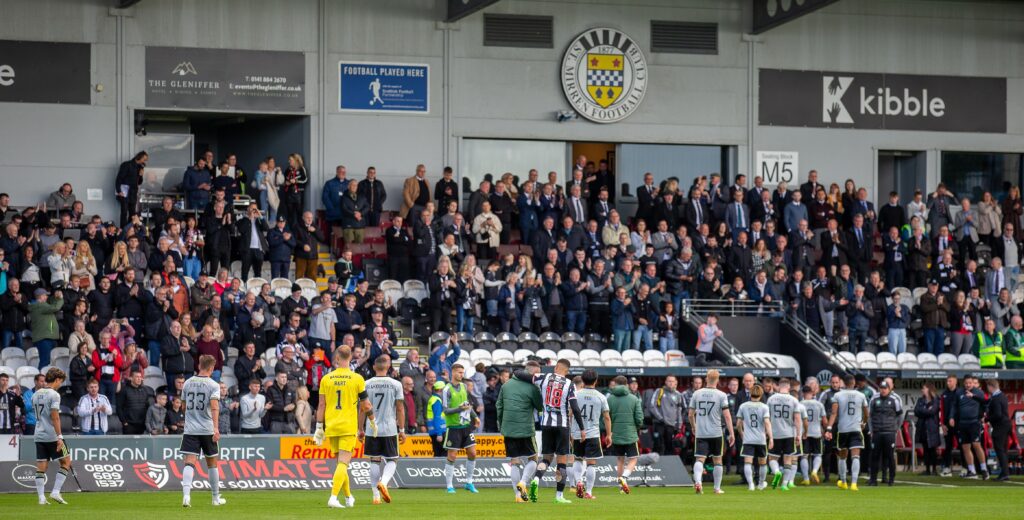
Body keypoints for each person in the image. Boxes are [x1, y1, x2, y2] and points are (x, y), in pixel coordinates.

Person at [314, 345, 374, 509]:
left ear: (337, 358)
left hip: (331, 426)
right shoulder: (357, 379)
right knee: (343, 464)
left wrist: (319, 427)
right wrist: (371, 422)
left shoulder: (326, 378)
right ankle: (333, 497)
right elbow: (366, 405)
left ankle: (348, 497)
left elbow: (321, 405)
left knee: (341, 464)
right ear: (350, 358)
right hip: (348, 426)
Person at [520, 358, 585, 504]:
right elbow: (574, 408)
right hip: (562, 426)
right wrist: (581, 428)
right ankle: (559, 496)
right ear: (567, 371)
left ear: (556, 367)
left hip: (546, 425)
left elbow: (522, 375)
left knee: (546, 458)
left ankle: (536, 479)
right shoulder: (570, 384)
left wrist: (516, 373)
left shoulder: (545, 377)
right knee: (561, 461)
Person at [177, 355, 224, 507]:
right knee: (212, 464)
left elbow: (183, 407)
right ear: (211, 368)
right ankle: (215, 498)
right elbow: (215, 406)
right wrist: (216, 428)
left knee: (189, 463)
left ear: (199, 365)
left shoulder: (187, 383)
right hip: (207, 429)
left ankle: (186, 496)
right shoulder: (213, 385)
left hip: (190, 429)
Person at [497, 360, 544, 502]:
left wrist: (502, 425)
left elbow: (499, 406)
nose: (538, 377)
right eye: (537, 374)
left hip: (508, 429)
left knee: (514, 461)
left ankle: (518, 496)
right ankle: (523, 482)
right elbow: (540, 406)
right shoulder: (532, 387)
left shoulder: (506, 385)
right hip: (525, 429)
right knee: (534, 458)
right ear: (531, 373)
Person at [361, 355, 405, 505]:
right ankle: (384, 483)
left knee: (374, 460)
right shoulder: (396, 384)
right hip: (389, 429)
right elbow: (400, 408)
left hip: (372, 429)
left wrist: (360, 429)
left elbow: (362, 409)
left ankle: (375, 496)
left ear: (374, 367)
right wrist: (402, 429)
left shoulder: (366, 384)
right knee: (392, 459)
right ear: (387, 367)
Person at [688, 369, 735, 495]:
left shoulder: (697, 393)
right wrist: (732, 433)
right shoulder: (721, 395)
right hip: (716, 432)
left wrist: (694, 426)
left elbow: (690, 414)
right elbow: (727, 416)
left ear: (706, 379)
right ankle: (717, 488)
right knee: (718, 460)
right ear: (718, 380)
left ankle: (698, 482)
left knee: (699, 459)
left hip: (701, 432)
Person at [32, 368, 71, 505]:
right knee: (66, 462)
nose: (60, 384)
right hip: (52, 436)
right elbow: (55, 417)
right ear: (57, 380)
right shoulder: (54, 395)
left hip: (38, 434)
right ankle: (55, 492)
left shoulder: (35, 394)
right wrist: (59, 436)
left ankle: (41, 498)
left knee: (41, 466)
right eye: (61, 381)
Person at [571, 369, 611, 500]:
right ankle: (588, 492)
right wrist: (609, 435)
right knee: (591, 463)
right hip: (593, 434)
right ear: (596, 381)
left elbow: (569, 414)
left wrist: (570, 432)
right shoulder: (601, 396)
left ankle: (578, 482)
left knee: (577, 459)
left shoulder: (576, 395)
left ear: (582, 380)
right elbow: (606, 417)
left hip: (577, 433)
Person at [440, 363, 480, 494]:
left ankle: (469, 482)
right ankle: (450, 486)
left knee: (473, 453)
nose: (461, 375)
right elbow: (446, 411)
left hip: (466, 425)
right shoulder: (446, 390)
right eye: (459, 372)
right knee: (452, 456)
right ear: (452, 373)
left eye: (462, 372)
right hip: (453, 427)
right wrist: (459, 409)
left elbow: (467, 404)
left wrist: (475, 416)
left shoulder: (463, 386)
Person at [825, 375, 868, 491]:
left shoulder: (837, 395)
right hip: (856, 429)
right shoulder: (861, 395)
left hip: (843, 430)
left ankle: (843, 482)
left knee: (843, 457)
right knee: (855, 456)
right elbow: (866, 413)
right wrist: (864, 423)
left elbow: (833, 413)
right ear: (854, 383)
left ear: (843, 383)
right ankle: (854, 483)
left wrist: (829, 428)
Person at [607, 375, 643, 495]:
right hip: (630, 434)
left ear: (615, 384)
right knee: (633, 459)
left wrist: (610, 431)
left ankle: (620, 486)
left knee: (620, 460)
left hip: (615, 434)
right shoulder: (634, 399)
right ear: (626, 384)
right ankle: (624, 478)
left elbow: (606, 418)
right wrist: (636, 427)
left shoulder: (610, 399)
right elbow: (639, 418)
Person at [765, 378, 802, 490]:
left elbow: (767, 418)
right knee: (788, 459)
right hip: (789, 433)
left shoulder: (771, 399)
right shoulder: (794, 400)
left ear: (778, 386)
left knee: (772, 458)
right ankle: (784, 484)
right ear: (789, 387)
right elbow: (797, 419)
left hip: (775, 433)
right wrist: (799, 435)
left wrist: (767, 433)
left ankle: (776, 471)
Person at [736, 384, 772, 491]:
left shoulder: (743, 406)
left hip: (748, 439)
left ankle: (750, 484)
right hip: (761, 439)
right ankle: (761, 484)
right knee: (762, 463)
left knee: (748, 462)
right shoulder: (764, 407)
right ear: (761, 395)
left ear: (750, 394)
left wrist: (741, 433)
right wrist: (771, 437)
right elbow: (767, 423)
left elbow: (738, 423)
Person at [952, 375, 988, 479]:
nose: (968, 385)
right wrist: (951, 417)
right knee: (965, 447)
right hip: (962, 424)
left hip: (974, 423)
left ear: (973, 383)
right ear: (964, 383)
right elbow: (954, 406)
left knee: (976, 445)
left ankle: (984, 469)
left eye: (970, 383)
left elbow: (985, 405)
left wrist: (984, 415)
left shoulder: (979, 393)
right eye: (966, 383)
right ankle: (972, 471)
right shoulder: (959, 392)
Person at [867, 380, 901, 486]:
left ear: (889, 389)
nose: (883, 390)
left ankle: (891, 479)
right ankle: (873, 480)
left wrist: (896, 428)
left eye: (885, 388)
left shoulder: (895, 399)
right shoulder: (874, 399)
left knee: (890, 456)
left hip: (889, 432)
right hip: (877, 432)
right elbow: (869, 416)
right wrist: (871, 430)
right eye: (881, 388)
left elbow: (900, 415)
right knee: (875, 456)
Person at [799, 385, 827, 485]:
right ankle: (815, 471)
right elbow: (824, 421)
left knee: (804, 456)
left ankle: (806, 478)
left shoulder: (799, 404)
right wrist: (827, 430)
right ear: (812, 393)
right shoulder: (819, 404)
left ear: (802, 393)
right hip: (816, 433)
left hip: (804, 433)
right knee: (818, 455)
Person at [649, 375, 684, 456]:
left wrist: (679, 425)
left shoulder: (678, 395)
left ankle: (668, 467)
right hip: (659, 424)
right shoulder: (659, 391)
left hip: (671, 426)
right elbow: (652, 406)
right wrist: (661, 418)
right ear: (665, 382)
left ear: (676, 382)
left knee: (670, 447)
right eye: (669, 381)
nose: (671, 383)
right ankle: (656, 466)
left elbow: (679, 411)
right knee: (658, 446)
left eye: (672, 381)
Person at [985, 379, 1011, 482]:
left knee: (1000, 450)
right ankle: (1005, 473)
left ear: (991, 386)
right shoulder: (1002, 395)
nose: (987, 388)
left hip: (1000, 427)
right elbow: (986, 402)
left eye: (988, 386)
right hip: (1006, 425)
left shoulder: (996, 398)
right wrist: (974, 397)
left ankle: (1004, 473)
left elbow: (997, 414)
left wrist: (987, 418)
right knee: (1003, 450)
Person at [914, 382, 941, 476]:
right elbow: (916, 411)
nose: (922, 390)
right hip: (922, 427)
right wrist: (926, 410)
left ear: (929, 389)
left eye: (924, 388)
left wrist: (924, 411)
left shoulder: (936, 400)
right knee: (925, 449)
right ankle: (927, 469)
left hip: (932, 428)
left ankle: (934, 470)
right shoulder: (920, 400)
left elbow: (933, 411)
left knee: (932, 449)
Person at [117, 369, 155, 434]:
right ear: (131, 378)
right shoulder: (124, 390)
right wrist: (124, 422)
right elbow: (119, 407)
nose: (139, 379)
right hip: (129, 425)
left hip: (142, 425)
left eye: (140, 377)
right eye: (137, 377)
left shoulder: (145, 390)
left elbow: (147, 407)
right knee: (129, 444)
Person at [116, 151, 146, 227]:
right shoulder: (126, 165)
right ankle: (123, 229)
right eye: (144, 159)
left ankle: (131, 228)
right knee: (124, 211)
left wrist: (141, 175)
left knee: (132, 212)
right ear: (140, 157)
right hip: (125, 191)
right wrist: (119, 190)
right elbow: (119, 178)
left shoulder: (140, 167)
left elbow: (139, 182)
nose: (145, 161)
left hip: (133, 192)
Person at [426, 381, 447, 456]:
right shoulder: (436, 401)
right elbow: (437, 417)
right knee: (442, 454)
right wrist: (439, 434)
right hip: (438, 431)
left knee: (438, 453)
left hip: (435, 431)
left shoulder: (433, 399)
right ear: (441, 390)